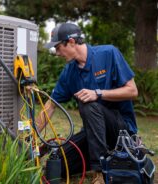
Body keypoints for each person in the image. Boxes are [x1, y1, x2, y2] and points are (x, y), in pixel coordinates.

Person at [40, 23, 138, 184]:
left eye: (58, 48)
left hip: (121, 130)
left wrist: (98, 93)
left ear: (71, 42)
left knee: (87, 103)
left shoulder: (109, 53)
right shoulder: (69, 72)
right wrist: (31, 135)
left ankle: (99, 172)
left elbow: (132, 91)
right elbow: (51, 105)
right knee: (58, 164)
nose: (57, 53)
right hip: (93, 135)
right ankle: (105, 157)